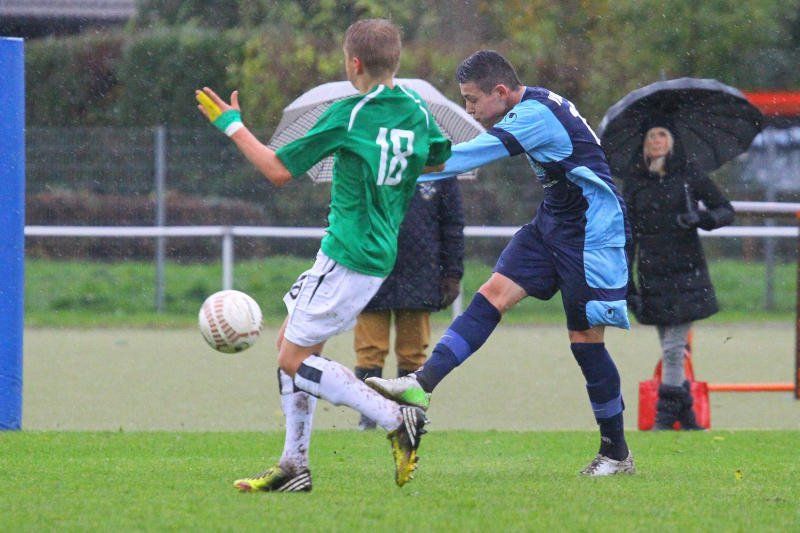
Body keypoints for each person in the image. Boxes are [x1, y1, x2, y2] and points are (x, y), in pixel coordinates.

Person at [195, 18, 451, 491]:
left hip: (348, 252)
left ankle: (394, 418)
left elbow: (277, 170)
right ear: (395, 61)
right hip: (376, 252)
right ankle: (294, 466)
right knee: (291, 345)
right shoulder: (417, 108)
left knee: (293, 358)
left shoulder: (349, 114)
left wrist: (232, 126)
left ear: (353, 63)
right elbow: (437, 156)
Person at [367, 50, 635, 476]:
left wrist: (396, 168)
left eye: (473, 100)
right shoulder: (534, 104)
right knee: (493, 294)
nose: (469, 109)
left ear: (501, 91)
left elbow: (471, 155)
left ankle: (616, 453)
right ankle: (421, 384)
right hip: (554, 222)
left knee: (585, 341)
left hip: (590, 230)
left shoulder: (534, 115)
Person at [623, 121, 734, 430]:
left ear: (671, 142)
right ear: (643, 144)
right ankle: (687, 415)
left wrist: (700, 218)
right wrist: (628, 284)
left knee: (673, 349)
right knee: (670, 348)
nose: (656, 140)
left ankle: (665, 413)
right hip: (651, 274)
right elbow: (628, 235)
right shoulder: (634, 184)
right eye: (651, 135)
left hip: (687, 273)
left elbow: (725, 210)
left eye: (662, 134)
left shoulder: (688, 176)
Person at [355, 177, 464, 429]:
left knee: (413, 352)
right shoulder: (369, 163)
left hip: (421, 273)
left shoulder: (441, 170)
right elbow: (345, 216)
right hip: (372, 268)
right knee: (369, 349)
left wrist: (452, 273)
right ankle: (368, 419)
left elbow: (452, 224)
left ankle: (408, 419)